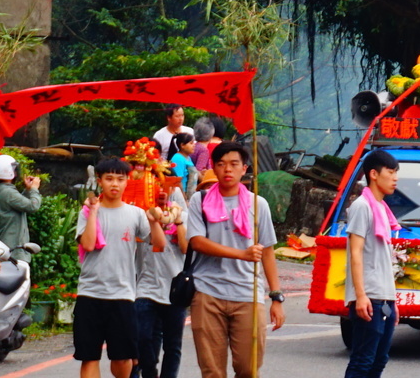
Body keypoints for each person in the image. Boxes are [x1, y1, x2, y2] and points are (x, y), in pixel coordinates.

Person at [187, 142, 285, 378]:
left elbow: (268, 252)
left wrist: (276, 297)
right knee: (212, 370)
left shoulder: (258, 204)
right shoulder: (200, 201)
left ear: (244, 169)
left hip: (247, 293)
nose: (227, 170)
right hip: (207, 292)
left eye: (234, 164)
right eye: (221, 164)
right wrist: (241, 254)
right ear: (213, 168)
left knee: (248, 368)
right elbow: (197, 242)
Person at [75, 158, 167, 378]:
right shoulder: (87, 212)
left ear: (127, 181)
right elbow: (88, 244)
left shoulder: (135, 214)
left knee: (123, 358)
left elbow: (159, 244)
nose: (114, 184)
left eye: (120, 179)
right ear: (99, 181)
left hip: (123, 295)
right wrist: (93, 212)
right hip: (90, 294)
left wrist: (154, 221)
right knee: (89, 357)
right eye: (109, 179)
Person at [345, 150, 401, 378]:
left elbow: (383, 258)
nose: (395, 178)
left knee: (379, 360)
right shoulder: (362, 206)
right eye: (391, 172)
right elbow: (355, 252)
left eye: (396, 173)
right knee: (363, 361)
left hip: (384, 297)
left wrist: (392, 299)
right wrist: (360, 295)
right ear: (374, 174)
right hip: (369, 297)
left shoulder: (382, 208)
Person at [132, 188, 188, 378]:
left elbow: (185, 247)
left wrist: (178, 221)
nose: (162, 191)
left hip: (175, 289)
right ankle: (149, 371)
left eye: (167, 187)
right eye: (158, 186)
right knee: (142, 337)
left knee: (172, 345)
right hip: (146, 286)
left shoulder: (182, 216)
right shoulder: (141, 215)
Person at [0, 154, 42, 263]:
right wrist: (34, 189)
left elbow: (18, 204)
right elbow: (33, 206)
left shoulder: (3, 191)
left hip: (4, 249)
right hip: (12, 252)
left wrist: (27, 190)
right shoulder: (8, 192)